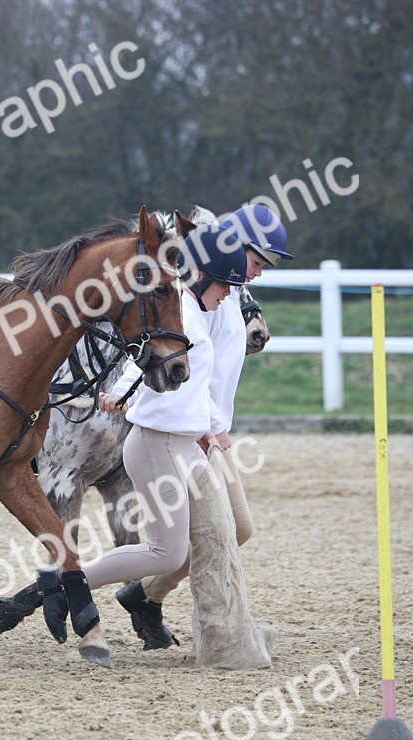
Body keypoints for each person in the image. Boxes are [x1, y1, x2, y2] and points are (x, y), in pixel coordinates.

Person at [60, 220, 250, 646]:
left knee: (231, 529)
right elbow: (146, 353)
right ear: (203, 278)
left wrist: (217, 431)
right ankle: (65, 583)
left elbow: (193, 381)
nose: (229, 297)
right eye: (225, 287)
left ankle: (214, 627)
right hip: (159, 442)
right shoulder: (182, 314)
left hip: (187, 442)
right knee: (169, 551)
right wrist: (122, 393)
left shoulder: (205, 311)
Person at [124, 204, 294, 648]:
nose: (258, 274)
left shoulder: (231, 296)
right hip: (193, 432)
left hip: (211, 430)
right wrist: (206, 431)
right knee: (222, 531)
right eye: (257, 262)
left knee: (236, 529)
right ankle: (222, 632)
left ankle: (146, 595)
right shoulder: (207, 298)